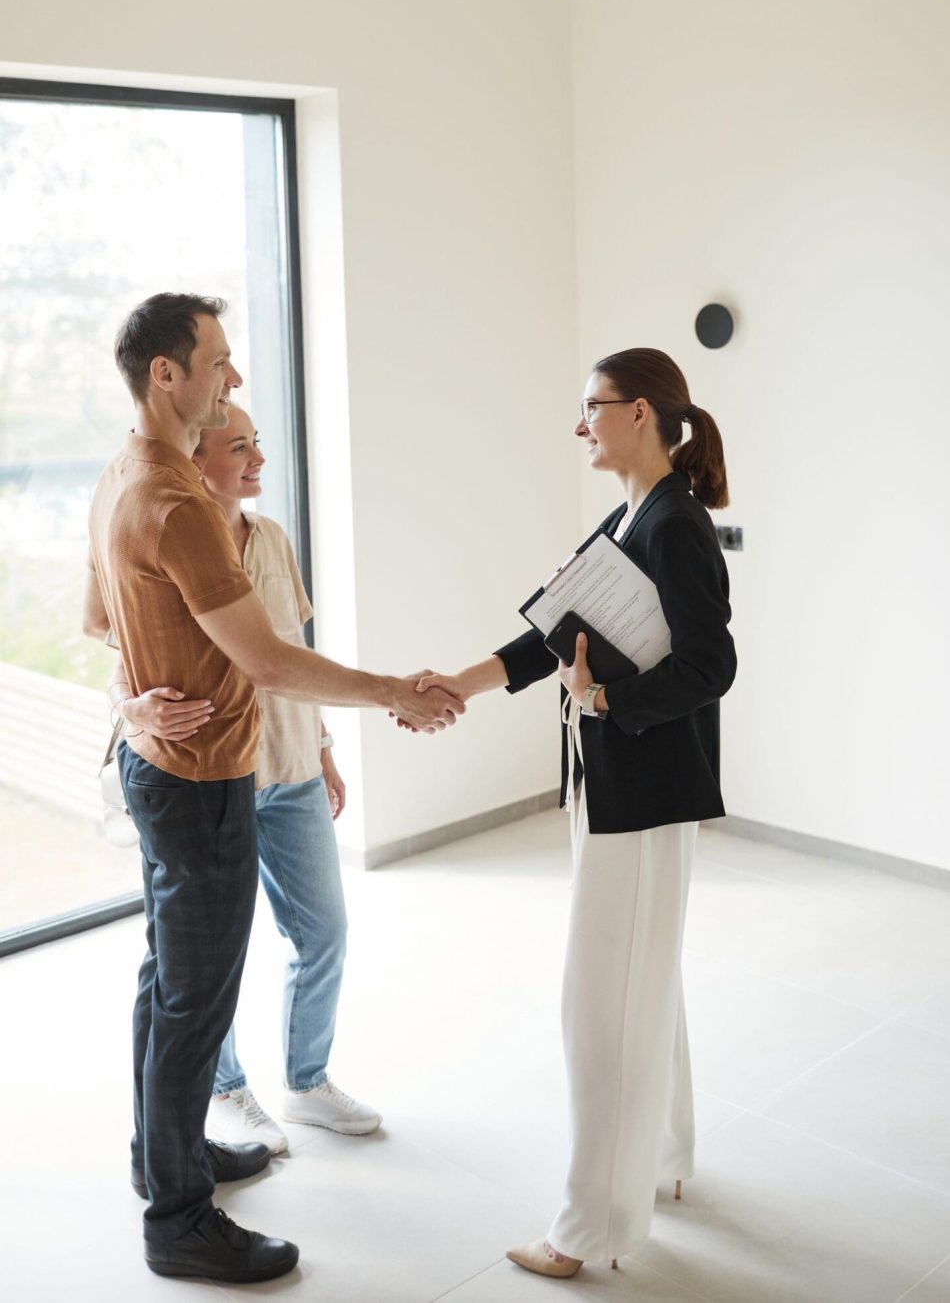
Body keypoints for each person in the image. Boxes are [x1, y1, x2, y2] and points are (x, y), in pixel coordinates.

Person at [83, 292, 463, 1285]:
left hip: (168, 773)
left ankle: (162, 1156)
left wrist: (133, 706)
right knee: (193, 1005)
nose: (234, 377)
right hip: (200, 784)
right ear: (166, 374)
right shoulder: (175, 503)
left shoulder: (123, 471)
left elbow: (110, 625)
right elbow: (271, 661)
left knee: (165, 985)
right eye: (217, 360)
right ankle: (177, 1219)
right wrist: (395, 693)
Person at [408, 348, 736, 1278]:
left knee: (602, 1009)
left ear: (638, 413)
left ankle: (588, 1230)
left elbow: (712, 666)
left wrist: (602, 705)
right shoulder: (635, 512)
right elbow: (554, 634)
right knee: (644, 984)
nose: (580, 424)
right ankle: (664, 1159)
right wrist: (456, 685)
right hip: (622, 789)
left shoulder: (675, 526)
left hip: (644, 791)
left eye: (589, 408)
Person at [113, 405, 378, 1155]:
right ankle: (228, 1090)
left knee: (323, 929)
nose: (259, 458)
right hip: (209, 777)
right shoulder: (164, 532)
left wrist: (323, 746)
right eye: (240, 447)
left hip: (289, 768)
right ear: (198, 460)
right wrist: (134, 709)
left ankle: (307, 1080)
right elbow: (122, 661)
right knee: (211, 956)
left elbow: (291, 650)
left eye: (260, 443)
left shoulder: (270, 540)